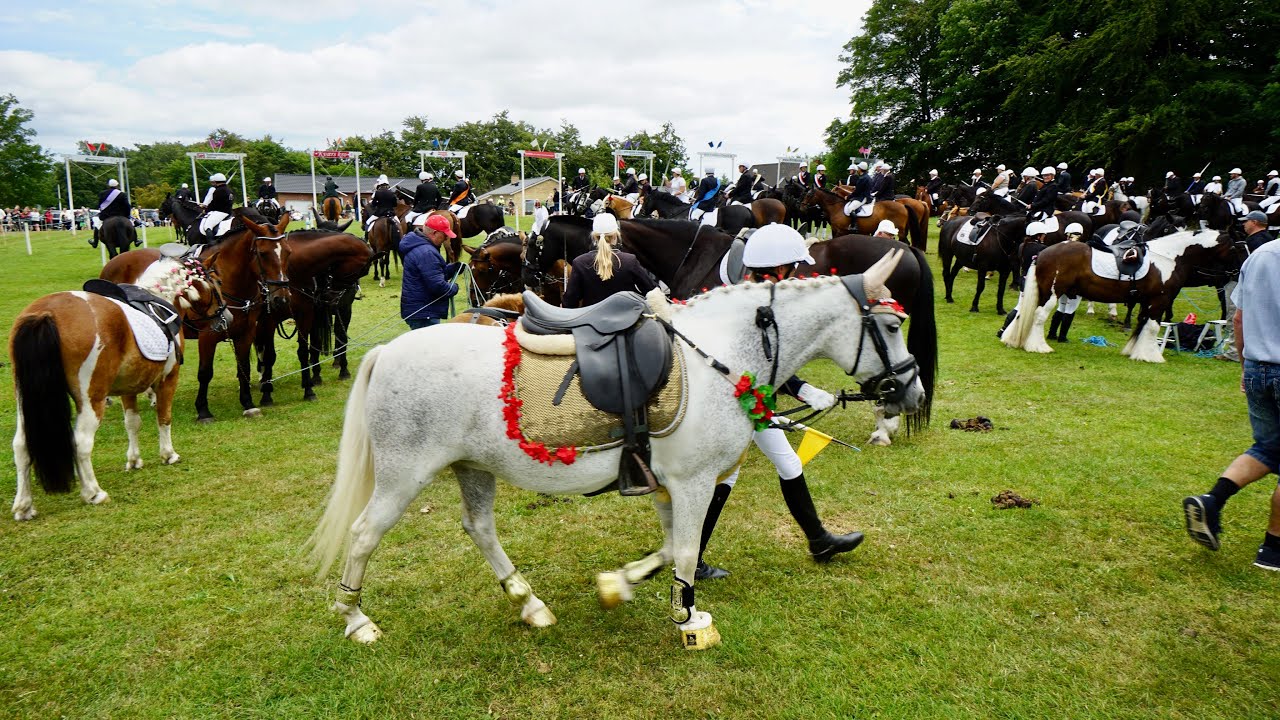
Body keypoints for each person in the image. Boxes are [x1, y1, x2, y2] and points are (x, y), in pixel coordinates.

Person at [695, 222, 864, 580]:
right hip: (737, 401)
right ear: (781, 266)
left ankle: (818, 539)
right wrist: (801, 389)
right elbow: (761, 364)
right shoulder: (756, 305)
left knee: (777, 465)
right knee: (738, 474)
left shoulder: (753, 294)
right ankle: (691, 557)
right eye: (794, 266)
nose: (798, 273)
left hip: (744, 398)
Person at [1181, 218, 1280, 571]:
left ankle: (1213, 500)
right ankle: (1273, 548)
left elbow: (1238, 318)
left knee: (1268, 448)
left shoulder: (1261, 254)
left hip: (1257, 364)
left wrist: (1244, 363)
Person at [561, 213, 656, 308]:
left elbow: (569, 302)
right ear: (615, 236)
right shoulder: (630, 261)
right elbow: (652, 291)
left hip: (592, 321)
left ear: (594, 237)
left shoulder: (579, 263)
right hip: (627, 320)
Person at [399, 214, 460, 329]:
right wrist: (454, 288)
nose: (446, 238)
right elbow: (438, 286)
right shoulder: (427, 253)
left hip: (420, 310)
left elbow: (430, 274)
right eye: (444, 235)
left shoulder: (422, 247)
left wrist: (452, 269)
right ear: (435, 233)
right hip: (424, 313)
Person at [91, 178, 131, 248]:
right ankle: (136, 240)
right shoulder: (122, 194)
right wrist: (127, 215)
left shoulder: (102, 194)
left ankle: (95, 242)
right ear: (117, 185)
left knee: (97, 225)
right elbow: (127, 206)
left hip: (106, 216)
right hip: (121, 215)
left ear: (108, 186)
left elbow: (99, 205)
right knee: (131, 224)